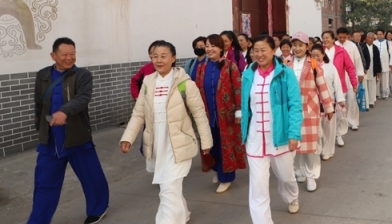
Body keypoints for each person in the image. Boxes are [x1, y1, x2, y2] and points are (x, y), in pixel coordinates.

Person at [120, 41, 213, 224]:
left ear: (173, 58)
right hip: (156, 143)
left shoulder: (185, 84)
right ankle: (184, 213)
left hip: (178, 144)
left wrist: (206, 141)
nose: (159, 60)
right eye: (155, 56)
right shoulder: (148, 82)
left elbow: (199, 114)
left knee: (168, 188)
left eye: (163, 56)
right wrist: (128, 137)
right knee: (170, 186)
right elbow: (139, 113)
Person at [29, 37, 110, 224]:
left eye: (72, 54)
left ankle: (98, 209)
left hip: (77, 135)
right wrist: (40, 127)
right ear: (53, 55)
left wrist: (64, 111)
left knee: (92, 177)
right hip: (50, 140)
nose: (69, 58)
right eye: (64, 54)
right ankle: (38, 220)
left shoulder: (82, 75)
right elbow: (39, 104)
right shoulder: (42, 75)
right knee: (44, 183)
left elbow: (83, 99)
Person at [241, 35, 303, 222]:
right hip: (255, 140)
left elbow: (295, 105)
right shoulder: (248, 73)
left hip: (280, 137)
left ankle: (292, 196)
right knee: (258, 188)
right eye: (255, 51)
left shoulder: (286, 73)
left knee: (286, 177)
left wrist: (294, 134)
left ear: (273, 51)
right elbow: (245, 105)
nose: (259, 54)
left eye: (263, 50)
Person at [195, 34, 246, 193]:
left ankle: (226, 178)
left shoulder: (230, 66)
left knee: (226, 146)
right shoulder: (201, 67)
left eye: (213, 46)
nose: (209, 49)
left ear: (221, 48)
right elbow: (196, 89)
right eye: (207, 46)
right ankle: (218, 169)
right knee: (212, 145)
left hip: (227, 114)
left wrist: (239, 110)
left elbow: (238, 89)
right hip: (208, 114)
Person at [287, 32, 333, 192]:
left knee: (311, 146)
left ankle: (312, 175)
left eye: (300, 45)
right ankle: (299, 172)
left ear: (307, 46)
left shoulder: (314, 64)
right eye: (295, 45)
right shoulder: (286, 63)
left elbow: (322, 86)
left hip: (310, 109)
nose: (297, 48)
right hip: (291, 111)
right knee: (294, 144)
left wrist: (328, 107)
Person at [310, 44, 345, 161]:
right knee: (316, 129)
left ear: (323, 55)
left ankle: (328, 150)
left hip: (329, 102)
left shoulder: (330, 67)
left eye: (317, 55)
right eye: (312, 55)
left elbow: (337, 84)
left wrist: (340, 99)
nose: (315, 57)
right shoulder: (308, 67)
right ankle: (318, 148)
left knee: (328, 128)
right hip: (313, 103)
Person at [324, 30, 357, 143]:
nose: (326, 40)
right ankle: (327, 136)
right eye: (324, 38)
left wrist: (354, 83)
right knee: (325, 114)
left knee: (339, 113)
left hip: (339, 87)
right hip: (324, 87)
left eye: (328, 37)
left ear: (333, 39)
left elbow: (350, 68)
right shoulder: (320, 52)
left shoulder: (341, 52)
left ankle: (339, 134)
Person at [335, 27, 364, 131]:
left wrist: (360, 73)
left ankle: (353, 121)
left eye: (344, 37)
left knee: (351, 98)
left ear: (347, 36)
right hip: (339, 77)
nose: (342, 39)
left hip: (351, 76)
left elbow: (357, 60)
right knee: (341, 100)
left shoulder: (352, 46)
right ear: (337, 36)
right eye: (340, 37)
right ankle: (343, 121)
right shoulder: (334, 46)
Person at [363, 33, 382, 108]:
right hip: (365, 70)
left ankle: (371, 101)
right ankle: (366, 102)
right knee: (365, 86)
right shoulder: (362, 47)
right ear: (366, 38)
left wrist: (378, 71)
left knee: (372, 86)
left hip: (373, 69)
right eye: (369, 38)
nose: (370, 40)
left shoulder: (375, 48)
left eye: (372, 38)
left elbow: (378, 60)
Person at [375, 29, 392, 99]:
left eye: (380, 34)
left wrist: (391, 63)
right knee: (377, 80)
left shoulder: (388, 43)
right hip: (377, 64)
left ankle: (385, 94)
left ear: (383, 34)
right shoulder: (374, 42)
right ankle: (377, 94)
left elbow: (391, 53)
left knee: (385, 81)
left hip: (385, 64)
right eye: (378, 34)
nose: (379, 35)